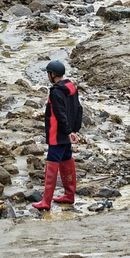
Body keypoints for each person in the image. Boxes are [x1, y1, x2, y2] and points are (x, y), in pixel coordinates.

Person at [31, 60, 83, 210]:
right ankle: (69, 194)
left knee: (52, 165)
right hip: (67, 133)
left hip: (57, 134)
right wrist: (74, 130)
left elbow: (59, 115)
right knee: (67, 160)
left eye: (48, 73)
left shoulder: (55, 92)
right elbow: (79, 109)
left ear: (53, 75)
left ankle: (46, 201)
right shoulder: (71, 87)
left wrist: (67, 131)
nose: (47, 76)